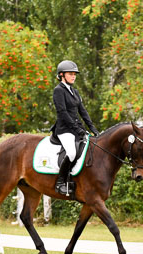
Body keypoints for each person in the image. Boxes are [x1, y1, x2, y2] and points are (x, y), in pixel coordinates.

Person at [51, 60, 99, 195]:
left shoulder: (75, 91)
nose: (73, 76)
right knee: (71, 153)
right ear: (61, 75)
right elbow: (63, 113)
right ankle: (61, 182)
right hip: (64, 129)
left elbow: (83, 111)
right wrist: (77, 129)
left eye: (74, 74)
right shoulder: (58, 91)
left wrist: (93, 128)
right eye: (70, 74)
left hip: (76, 128)